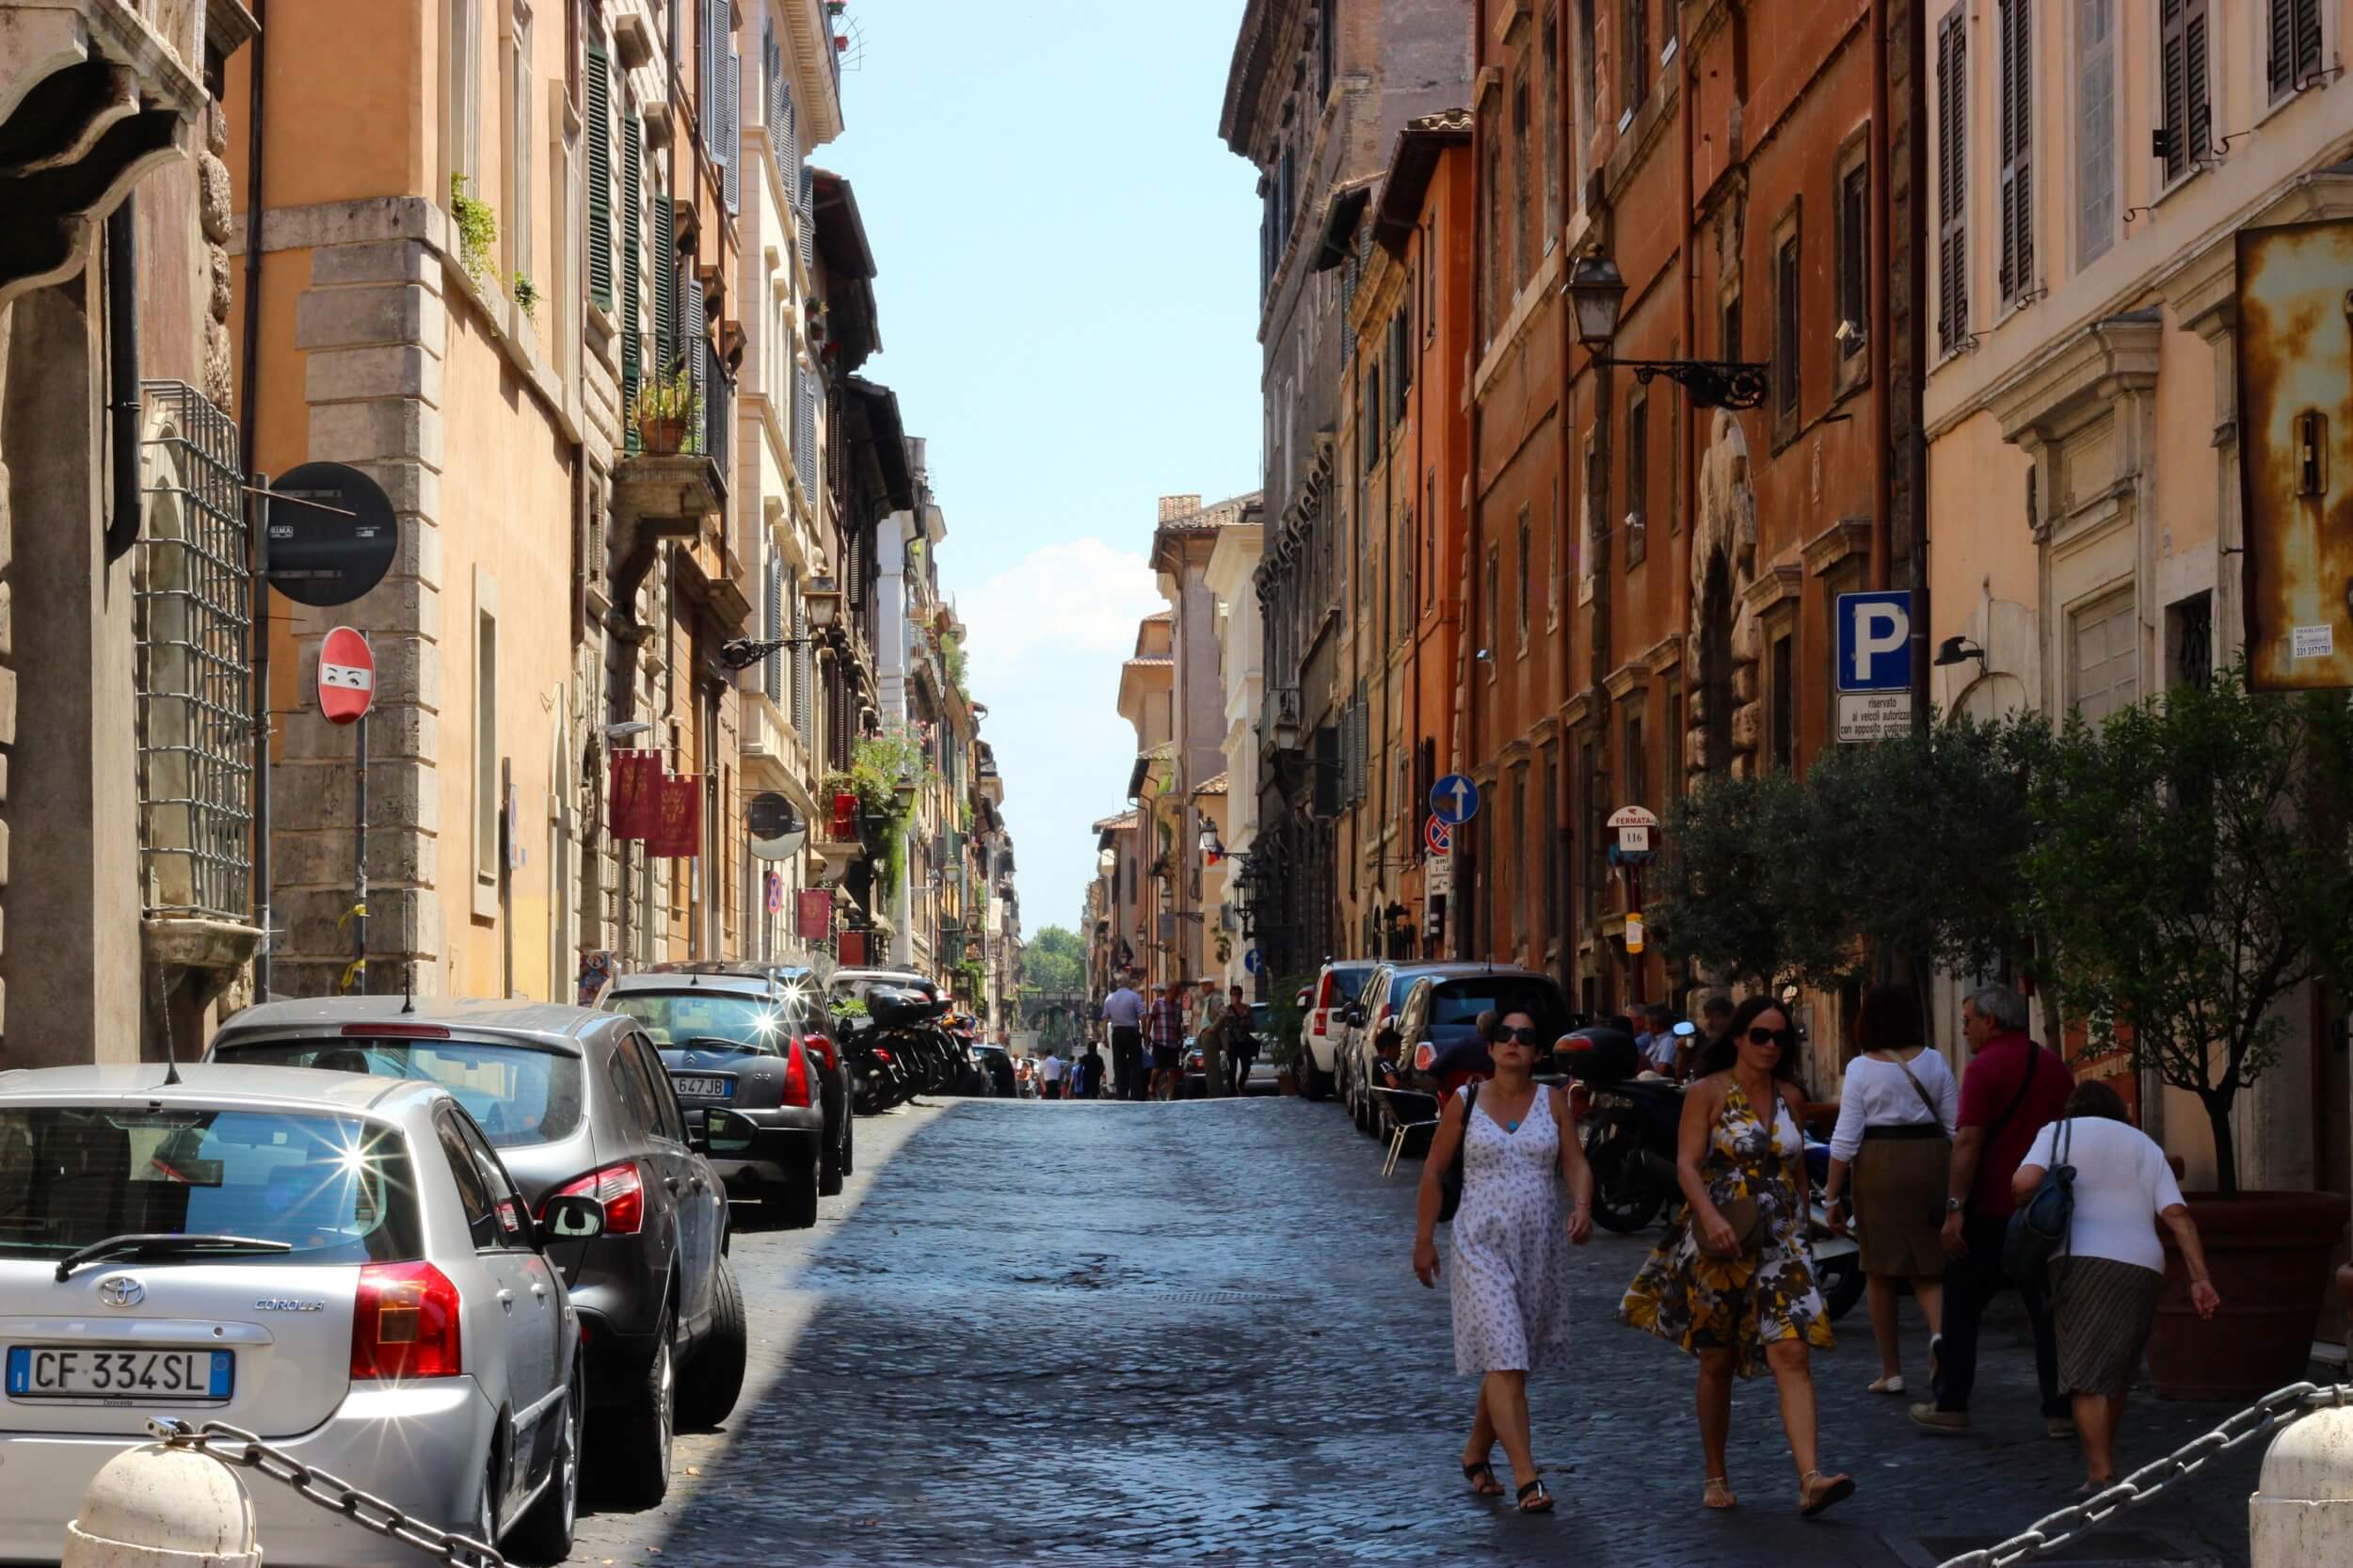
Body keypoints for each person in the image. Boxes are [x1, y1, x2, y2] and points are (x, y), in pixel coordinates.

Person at [1622, 995, 1852, 1517]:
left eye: (1780, 1037)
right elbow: (1686, 1165)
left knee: (1792, 1352)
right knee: (1718, 1359)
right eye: (1760, 1035)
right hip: (1720, 1234)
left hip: (1780, 1239)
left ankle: (1811, 1478)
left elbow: (1793, 1167)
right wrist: (1711, 1216)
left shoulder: (1791, 1095)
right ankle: (1715, 1473)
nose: (1771, 1046)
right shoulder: (1706, 1092)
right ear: (1738, 1038)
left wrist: (1804, 1223)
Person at [1413, 1009, 1595, 1513]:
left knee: (1507, 1364)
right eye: (1504, 1035)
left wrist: (1582, 1206)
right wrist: (1424, 1239)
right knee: (1507, 1356)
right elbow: (1433, 1172)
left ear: (1537, 1051)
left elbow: (1576, 1162)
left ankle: (1475, 1453)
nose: (1514, 1042)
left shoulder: (1553, 1103)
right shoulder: (1465, 1103)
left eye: (1525, 1036)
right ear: (1491, 1048)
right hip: (1480, 1245)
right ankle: (1526, 1478)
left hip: (1539, 1250)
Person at [2014, 1080, 2220, 1493]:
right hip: (2143, 1265)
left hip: (2081, 1260)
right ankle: (2104, 1460)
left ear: (2074, 1108)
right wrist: (2201, 1279)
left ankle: (2100, 1473)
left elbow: (2022, 1185)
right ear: (2119, 1112)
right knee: (2119, 1370)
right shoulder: (2145, 1145)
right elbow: (2179, 1216)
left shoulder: (2057, 1132)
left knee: (2084, 1370)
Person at [1913, 984, 2074, 1435]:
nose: (1964, 1030)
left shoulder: (1984, 1069)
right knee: (2046, 1312)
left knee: (1961, 1306)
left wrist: (1953, 1209)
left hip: (1988, 1207)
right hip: (2042, 1213)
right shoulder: (2055, 1067)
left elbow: (1968, 1141)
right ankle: (2059, 1411)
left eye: (1967, 1021)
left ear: (1991, 1020)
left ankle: (1952, 1402)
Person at [1821, 983, 1957, 1396]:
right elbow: (1954, 1125)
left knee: (1878, 1268)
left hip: (1879, 1164)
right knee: (1929, 1266)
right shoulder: (1935, 1061)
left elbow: (1845, 1138)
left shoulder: (1862, 1068)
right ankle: (1939, 1337)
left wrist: (1831, 1195)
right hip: (1931, 1161)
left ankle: (1891, 1370)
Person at [1102, 973, 1147, 1102]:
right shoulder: (1134, 997)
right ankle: (1136, 1094)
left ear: (1118, 984)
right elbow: (1142, 1016)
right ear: (1128, 984)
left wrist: (1104, 1037)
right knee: (1135, 1064)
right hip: (1132, 1032)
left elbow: (1105, 1018)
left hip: (1117, 1033)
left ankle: (1121, 1094)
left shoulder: (1110, 998)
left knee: (1119, 1064)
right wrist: (1144, 1034)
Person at [1146, 980, 1188, 1102]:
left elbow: (1178, 1025)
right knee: (1158, 1068)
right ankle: (1152, 1085)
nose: (1178, 994)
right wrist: (1147, 1035)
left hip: (1173, 1042)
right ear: (1169, 991)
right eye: (1176, 991)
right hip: (1160, 1040)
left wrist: (1181, 1039)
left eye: (1178, 992)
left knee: (1173, 1069)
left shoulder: (1178, 1006)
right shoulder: (1157, 1003)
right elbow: (1150, 1019)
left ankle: (1171, 1094)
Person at [1194, 982, 1228, 1099]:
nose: (1203, 987)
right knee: (1210, 1066)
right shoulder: (1206, 1000)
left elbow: (1223, 1014)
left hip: (1210, 1035)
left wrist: (1212, 1028)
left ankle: (1215, 1093)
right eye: (1202, 985)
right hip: (1205, 1034)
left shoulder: (1215, 998)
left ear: (1211, 986)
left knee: (1212, 1067)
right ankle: (1214, 1092)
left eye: (1205, 985)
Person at [1225, 984, 1257, 1096]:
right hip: (1232, 1042)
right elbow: (1226, 1024)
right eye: (1234, 994)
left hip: (1244, 1042)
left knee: (1246, 1067)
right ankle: (1233, 1090)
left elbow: (1253, 1024)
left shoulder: (1247, 1008)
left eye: (1238, 994)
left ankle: (1240, 1085)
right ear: (1230, 996)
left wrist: (1246, 1023)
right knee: (1232, 1068)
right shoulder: (1227, 1009)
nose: (1236, 997)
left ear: (1241, 995)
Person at [1639, 1003, 1680, 1077]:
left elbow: (1662, 1071)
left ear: (1656, 1026)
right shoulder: (1655, 1040)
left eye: (1647, 1023)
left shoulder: (1668, 1042)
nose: (1645, 1027)